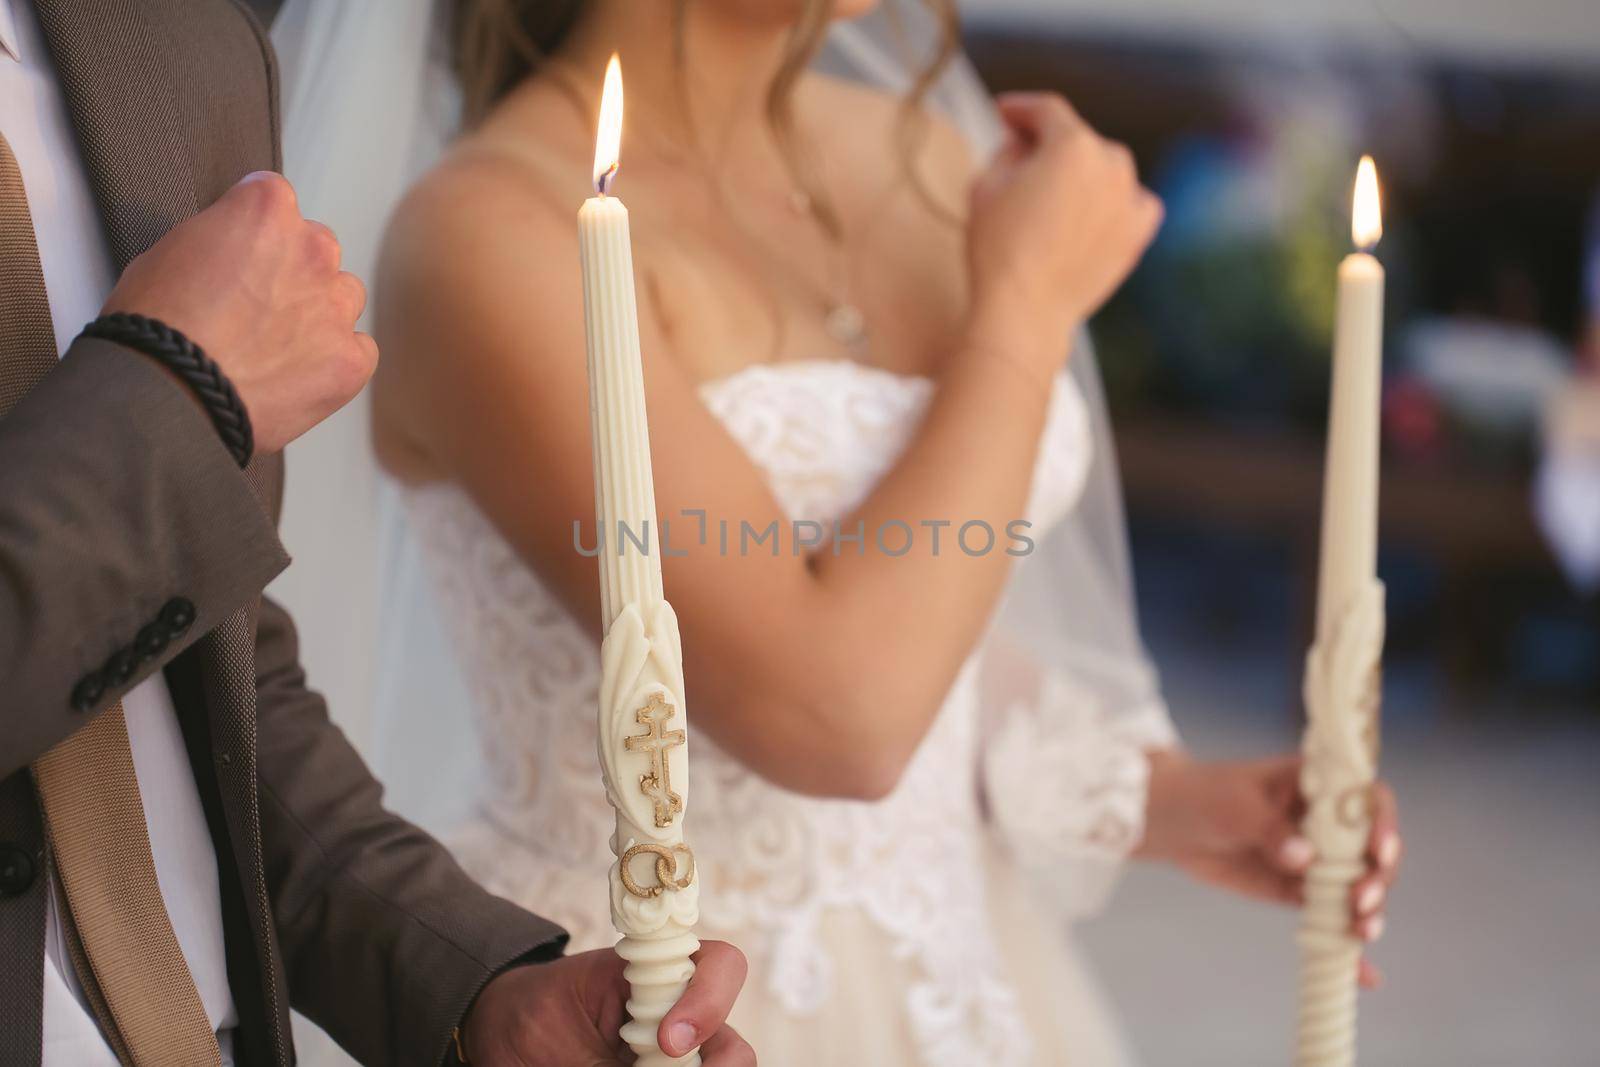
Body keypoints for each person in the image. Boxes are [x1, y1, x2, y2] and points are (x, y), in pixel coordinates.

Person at [328, 0, 1403, 1063]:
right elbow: (837, 717)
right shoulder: (489, 232)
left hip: (959, 983)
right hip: (665, 1002)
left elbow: (939, 622)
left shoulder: (923, 157)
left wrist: (1165, 798)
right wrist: (1023, 308)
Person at [0, 1, 750, 1064]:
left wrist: (475, 988)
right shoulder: (480, 225)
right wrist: (174, 392)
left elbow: (214, 672)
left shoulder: (171, 36)